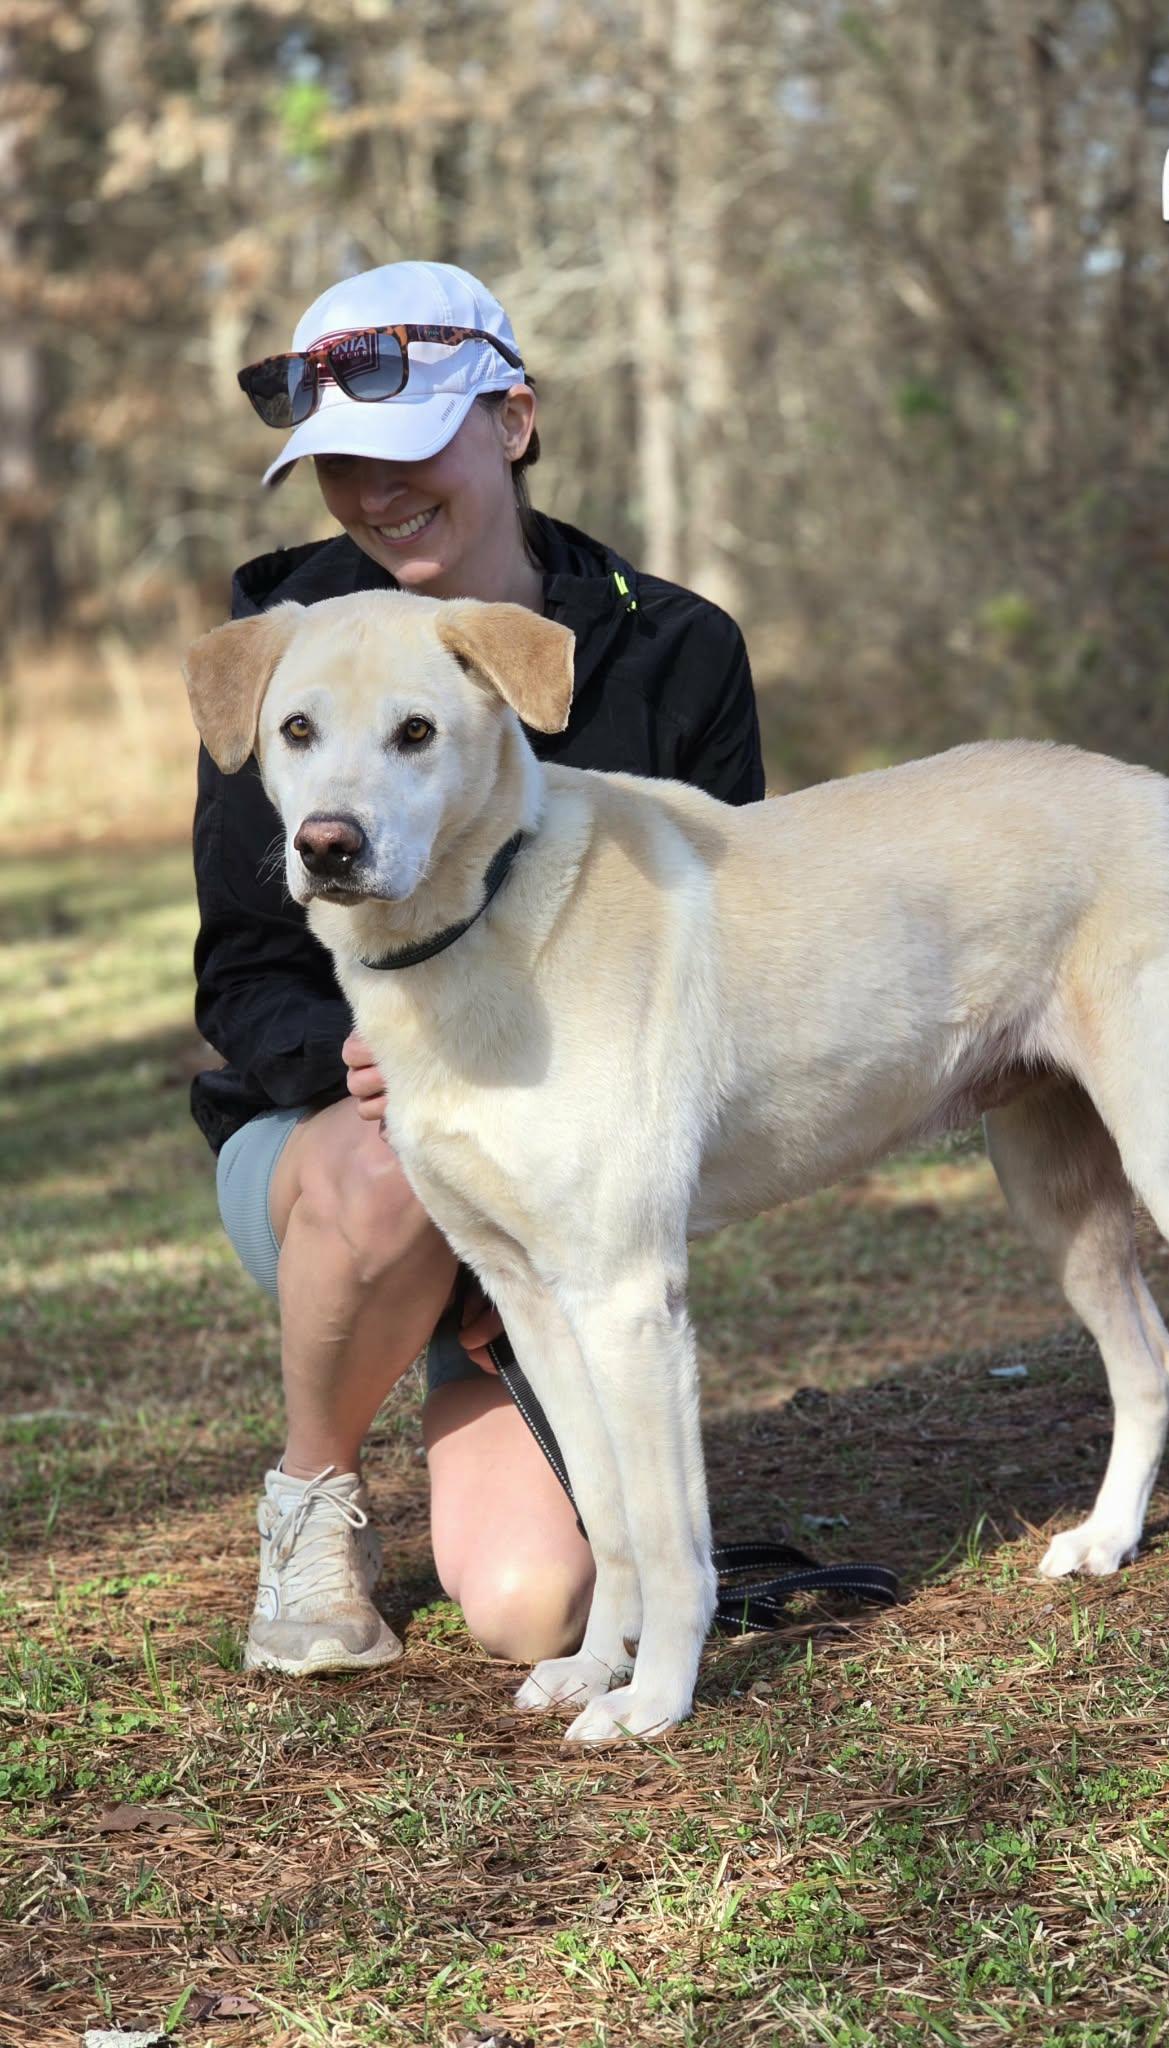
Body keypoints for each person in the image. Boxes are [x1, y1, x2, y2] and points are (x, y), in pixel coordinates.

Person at [192, 259, 764, 1675]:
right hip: (344, 1154)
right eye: (338, 465)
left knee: (526, 1607)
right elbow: (244, 976)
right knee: (403, 1149)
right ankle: (313, 1500)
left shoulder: (673, 648)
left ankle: (517, 1384)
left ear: (512, 422)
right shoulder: (288, 651)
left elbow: (724, 957)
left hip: (566, 1162)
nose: (374, 493)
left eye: (407, 448)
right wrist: (347, 1058)